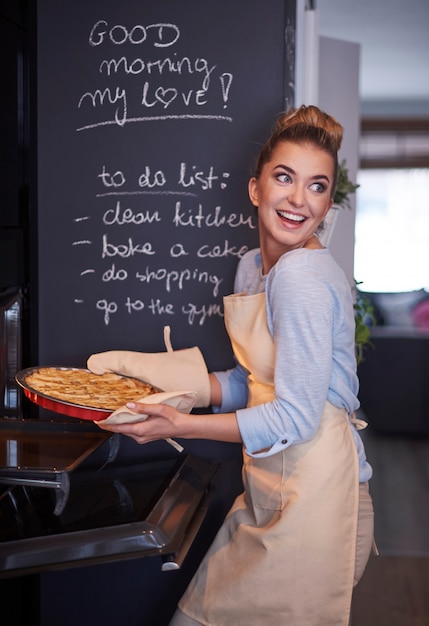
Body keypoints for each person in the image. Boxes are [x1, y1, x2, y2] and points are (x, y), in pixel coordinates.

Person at [88, 105, 374, 626]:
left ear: (329, 202)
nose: (297, 199)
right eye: (284, 178)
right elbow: (257, 382)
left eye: (317, 186)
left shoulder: (301, 278)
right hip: (275, 489)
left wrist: (181, 424)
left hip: (319, 505)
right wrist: (178, 386)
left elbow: (294, 417)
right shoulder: (255, 267)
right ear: (255, 188)